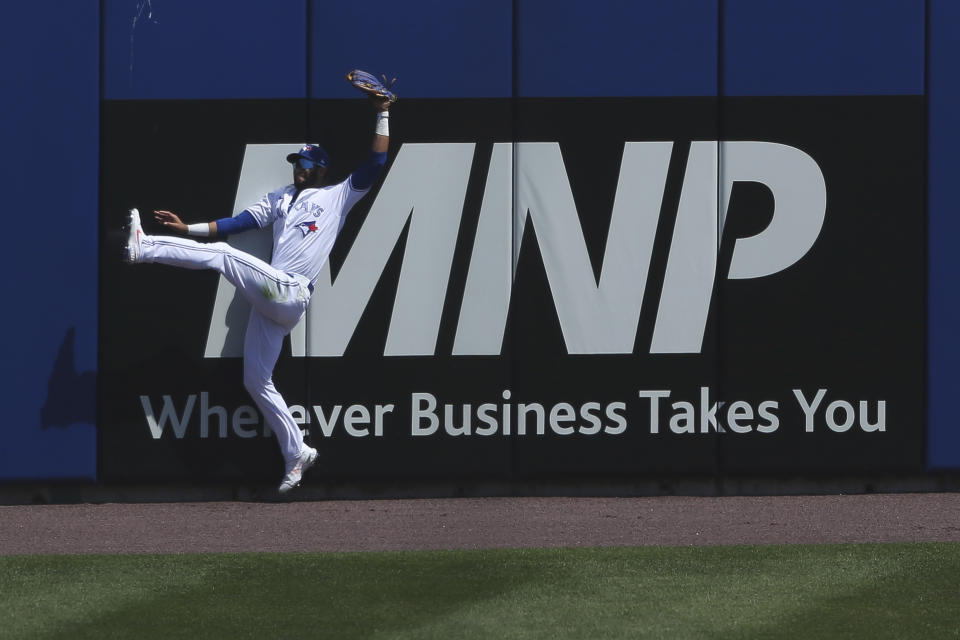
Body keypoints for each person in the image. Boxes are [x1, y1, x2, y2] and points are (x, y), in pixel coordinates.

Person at [124, 96, 392, 493]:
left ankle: (144, 248)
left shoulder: (337, 196)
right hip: (273, 301)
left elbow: (375, 164)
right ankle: (297, 453)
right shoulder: (280, 199)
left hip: (290, 290)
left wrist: (383, 113)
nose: (298, 169)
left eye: (304, 163)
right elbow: (237, 223)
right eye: (296, 163)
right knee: (256, 380)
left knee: (223, 257)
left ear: (319, 168)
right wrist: (186, 228)